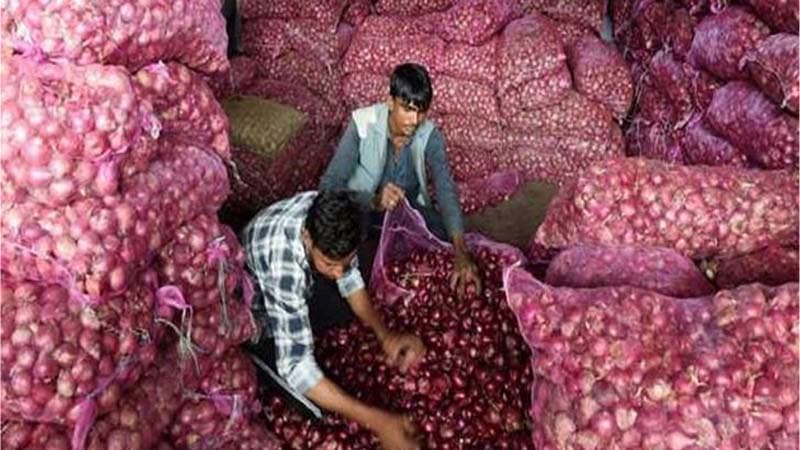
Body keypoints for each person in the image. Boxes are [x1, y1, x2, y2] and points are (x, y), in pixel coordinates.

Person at [242, 190, 424, 450]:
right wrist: (380, 422)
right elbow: (296, 366)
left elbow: (349, 278)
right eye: (329, 262)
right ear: (307, 237)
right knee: (312, 408)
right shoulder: (285, 265)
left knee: (348, 307)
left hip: (295, 284)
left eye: (345, 262)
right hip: (255, 315)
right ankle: (256, 355)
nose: (339, 271)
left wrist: (386, 336)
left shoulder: (331, 213)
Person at [320, 62, 482, 297]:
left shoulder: (429, 134)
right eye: (407, 109)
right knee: (352, 266)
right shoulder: (362, 123)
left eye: (421, 111)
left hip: (406, 212)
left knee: (450, 237)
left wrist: (460, 252)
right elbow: (329, 186)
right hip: (360, 211)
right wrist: (374, 200)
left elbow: (446, 189)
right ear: (390, 101)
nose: (415, 120)